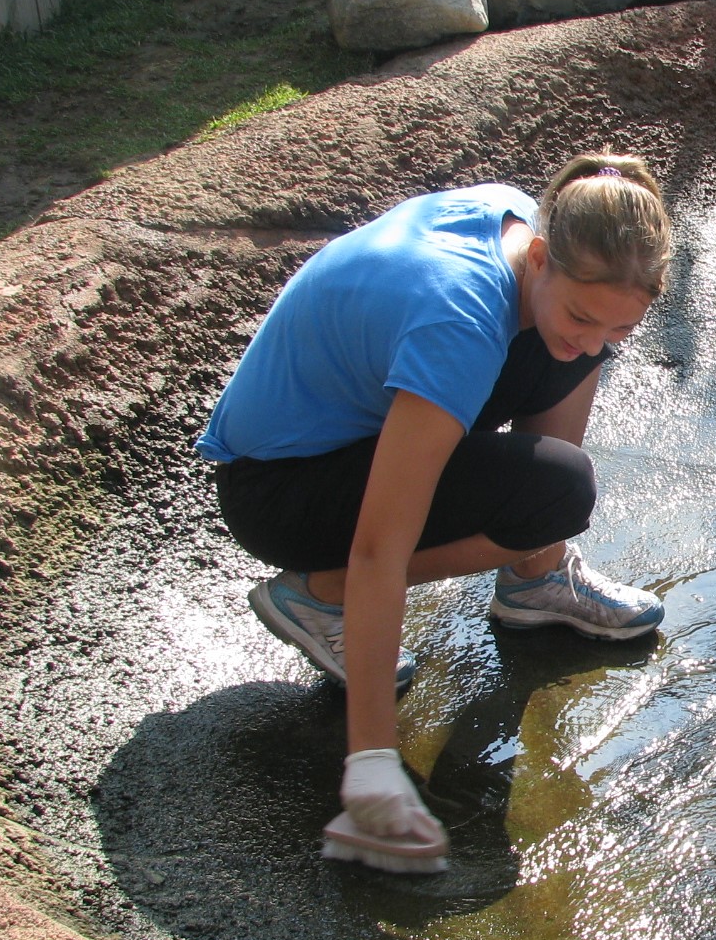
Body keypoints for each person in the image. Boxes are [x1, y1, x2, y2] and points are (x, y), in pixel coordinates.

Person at [196, 155, 673, 872]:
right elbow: (377, 551)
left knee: (564, 353)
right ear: (541, 255)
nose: (598, 340)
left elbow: (573, 330)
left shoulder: (530, 231)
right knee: (558, 490)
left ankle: (533, 577)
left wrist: (582, 328)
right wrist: (373, 762)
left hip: (348, 439)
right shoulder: (460, 316)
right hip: (281, 489)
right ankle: (316, 597)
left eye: (621, 329)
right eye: (583, 312)